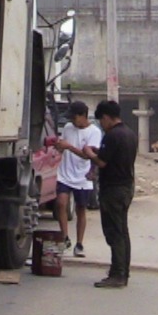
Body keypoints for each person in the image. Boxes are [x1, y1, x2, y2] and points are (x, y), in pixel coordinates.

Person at [85, 99, 137, 288]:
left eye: (101, 121)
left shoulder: (112, 136)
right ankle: (123, 271)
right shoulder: (129, 133)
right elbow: (113, 155)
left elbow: (102, 162)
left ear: (107, 117)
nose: (101, 124)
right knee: (122, 231)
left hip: (113, 189)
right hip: (126, 186)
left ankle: (118, 274)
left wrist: (89, 153)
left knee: (114, 232)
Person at [51, 101, 101, 257]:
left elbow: (88, 156)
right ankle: (64, 237)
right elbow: (62, 147)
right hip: (65, 173)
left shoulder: (94, 132)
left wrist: (69, 147)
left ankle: (79, 243)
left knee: (81, 209)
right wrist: (59, 146)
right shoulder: (67, 128)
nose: (72, 121)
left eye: (74, 117)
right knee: (61, 203)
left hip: (83, 175)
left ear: (83, 116)